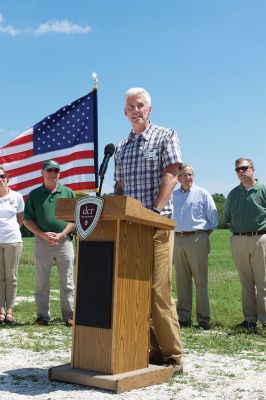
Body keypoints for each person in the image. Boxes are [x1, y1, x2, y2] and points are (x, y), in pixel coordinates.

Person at [114, 87, 183, 374]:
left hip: (157, 225)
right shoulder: (121, 148)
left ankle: (173, 355)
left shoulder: (165, 135)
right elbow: (119, 188)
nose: (136, 110)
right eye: (131, 106)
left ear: (149, 109)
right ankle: (148, 350)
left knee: (157, 291)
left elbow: (172, 172)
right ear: (125, 112)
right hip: (131, 230)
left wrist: (154, 210)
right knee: (135, 291)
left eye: (140, 105)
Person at [24, 160, 75, 327]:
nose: (53, 172)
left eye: (56, 170)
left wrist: (62, 234)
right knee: (42, 281)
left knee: (67, 281)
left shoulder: (68, 193)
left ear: (59, 173)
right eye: (49, 170)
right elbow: (27, 220)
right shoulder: (34, 195)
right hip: (42, 242)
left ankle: (69, 316)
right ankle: (42, 317)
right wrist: (42, 234)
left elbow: (75, 220)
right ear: (42, 173)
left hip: (64, 242)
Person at [173, 163, 219, 330]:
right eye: (184, 175)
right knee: (182, 281)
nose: (188, 178)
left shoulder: (203, 194)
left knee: (201, 281)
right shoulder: (173, 196)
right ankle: (183, 318)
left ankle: (203, 319)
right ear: (178, 178)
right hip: (177, 240)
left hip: (198, 238)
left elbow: (213, 221)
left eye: (190, 174)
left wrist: (200, 237)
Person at [224, 158, 266, 330]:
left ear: (252, 170)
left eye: (244, 168)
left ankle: (265, 320)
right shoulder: (233, 194)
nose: (241, 172)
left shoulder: (262, 189)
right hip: (238, 239)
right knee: (246, 282)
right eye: (238, 170)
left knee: (263, 281)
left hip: (260, 239)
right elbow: (227, 218)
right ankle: (249, 320)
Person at [0, 166, 24, 325]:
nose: (0, 179)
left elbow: (20, 219)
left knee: (11, 277)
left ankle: (10, 310)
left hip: (13, 241)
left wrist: (11, 232)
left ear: (7, 178)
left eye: (2, 176)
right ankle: (1, 310)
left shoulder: (17, 196)